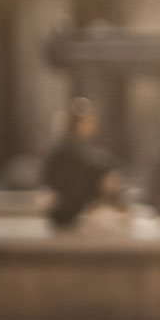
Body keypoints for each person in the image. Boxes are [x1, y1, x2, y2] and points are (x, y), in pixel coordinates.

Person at [42, 97, 125, 230]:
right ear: (78, 123)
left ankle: (113, 211)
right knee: (106, 176)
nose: (93, 126)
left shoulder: (76, 148)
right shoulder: (66, 150)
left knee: (106, 174)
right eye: (90, 122)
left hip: (69, 210)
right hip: (64, 210)